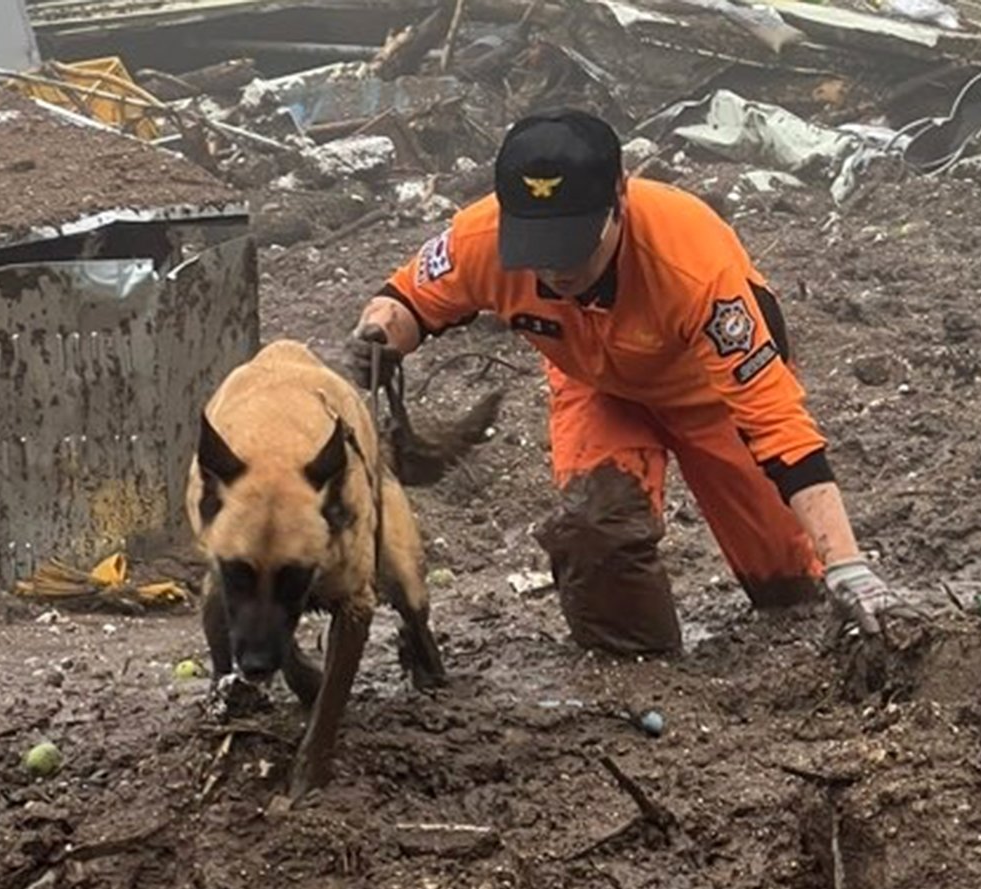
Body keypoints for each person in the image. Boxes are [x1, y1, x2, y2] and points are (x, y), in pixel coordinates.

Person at [346, 107, 901, 655]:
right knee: (595, 530)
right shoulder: (479, 238)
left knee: (791, 587)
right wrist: (379, 337)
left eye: (573, 246)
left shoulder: (695, 267)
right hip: (597, 387)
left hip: (710, 397)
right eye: (536, 251)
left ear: (619, 199)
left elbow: (781, 428)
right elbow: (405, 301)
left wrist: (847, 563)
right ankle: (637, 666)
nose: (556, 272)